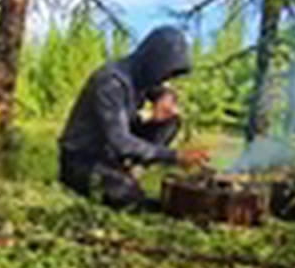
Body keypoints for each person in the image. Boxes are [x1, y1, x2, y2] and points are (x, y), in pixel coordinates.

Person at [57, 26, 210, 211]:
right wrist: (175, 156)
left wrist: (165, 97)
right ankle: (123, 184)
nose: (165, 78)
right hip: (82, 160)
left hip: (110, 155)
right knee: (127, 195)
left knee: (171, 120)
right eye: (166, 72)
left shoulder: (142, 77)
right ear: (154, 61)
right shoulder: (111, 82)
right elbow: (120, 142)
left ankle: (131, 172)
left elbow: (161, 94)